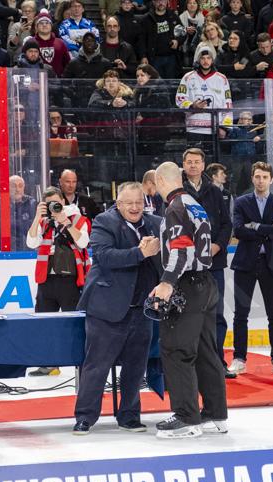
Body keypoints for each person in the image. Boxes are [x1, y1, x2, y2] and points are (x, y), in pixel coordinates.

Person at [73, 182, 162, 435]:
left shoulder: (154, 223)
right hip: (107, 308)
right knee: (96, 366)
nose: (135, 208)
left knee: (136, 366)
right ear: (118, 203)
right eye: (129, 203)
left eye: (139, 202)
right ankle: (85, 417)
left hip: (142, 309)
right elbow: (104, 257)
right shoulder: (104, 221)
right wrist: (139, 253)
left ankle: (130, 415)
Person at [151, 161, 228, 439]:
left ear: (160, 180)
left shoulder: (175, 207)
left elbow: (181, 252)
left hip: (186, 285)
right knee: (207, 350)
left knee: (176, 350)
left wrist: (166, 282)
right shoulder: (195, 204)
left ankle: (186, 417)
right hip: (206, 282)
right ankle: (215, 413)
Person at [228, 162, 273, 377]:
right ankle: (239, 358)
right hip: (245, 263)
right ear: (252, 178)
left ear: (271, 179)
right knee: (241, 314)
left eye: (265, 177)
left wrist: (254, 226)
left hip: (270, 263)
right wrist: (268, 227)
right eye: (257, 176)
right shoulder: (242, 202)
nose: (261, 180)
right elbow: (238, 230)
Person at [26, 186, 91, 377]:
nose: (54, 206)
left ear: (63, 201)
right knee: (44, 322)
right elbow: (31, 242)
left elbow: (84, 242)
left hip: (71, 279)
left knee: (75, 324)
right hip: (46, 279)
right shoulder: (44, 222)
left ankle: (82, 364)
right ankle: (48, 364)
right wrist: (37, 217)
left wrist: (65, 222)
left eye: (56, 202)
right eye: (49, 204)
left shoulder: (78, 218)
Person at [181, 148, 232, 370]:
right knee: (188, 315)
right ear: (183, 165)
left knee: (216, 314)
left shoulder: (215, 191)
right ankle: (190, 363)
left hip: (214, 264)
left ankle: (216, 361)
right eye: (189, 162)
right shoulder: (177, 191)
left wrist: (218, 245)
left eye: (196, 162)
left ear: (203, 165)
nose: (193, 165)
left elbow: (226, 224)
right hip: (187, 265)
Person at [175, 45, 234, 151]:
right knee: (194, 160)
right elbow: (180, 99)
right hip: (193, 128)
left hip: (215, 128)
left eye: (208, 58)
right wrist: (192, 106)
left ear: (212, 60)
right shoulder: (188, 77)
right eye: (202, 58)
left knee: (213, 163)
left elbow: (228, 105)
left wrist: (225, 127)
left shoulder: (222, 79)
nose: (205, 61)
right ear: (198, 60)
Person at [0, 174, 37, 250]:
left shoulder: (31, 203)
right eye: (13, 186)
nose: (17, 189)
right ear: (7, 187)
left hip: (28, 250)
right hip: (3, 250)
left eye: (20, 186)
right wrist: (21, 224)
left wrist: (10, 224)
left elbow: (34, 227)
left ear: (24, 187)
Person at [141, 0, 183, 79]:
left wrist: (177, 41)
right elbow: (141, 40)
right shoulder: (146, 19)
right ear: (153, 2)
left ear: (167, 1)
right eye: (158, 1)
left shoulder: (173, 16)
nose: (161, 3)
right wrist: (143, 56)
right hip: (154, 59)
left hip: (171, 58)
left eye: (163, 0)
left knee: (171, 86)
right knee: (156, 86)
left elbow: (182, 33)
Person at [28, 11, 71, 76]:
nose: (44, 25)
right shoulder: (30, 42)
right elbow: (25, 63)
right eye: (41, 23)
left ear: (51, 26)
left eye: (47, 22)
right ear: (36, 27)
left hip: (58, 82)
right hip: (36, 82)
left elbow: (68, 64)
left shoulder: (60, 43)